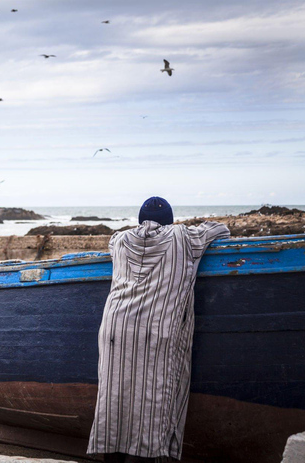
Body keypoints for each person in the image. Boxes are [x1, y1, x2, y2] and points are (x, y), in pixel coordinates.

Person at [87, 197, 230, 462]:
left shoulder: (118, 240)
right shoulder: (185, 237)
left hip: (115, 329)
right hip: (155, 331)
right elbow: (221, 229)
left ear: (140, 219)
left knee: (114, 399)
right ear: (171, 220)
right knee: (151, 403)